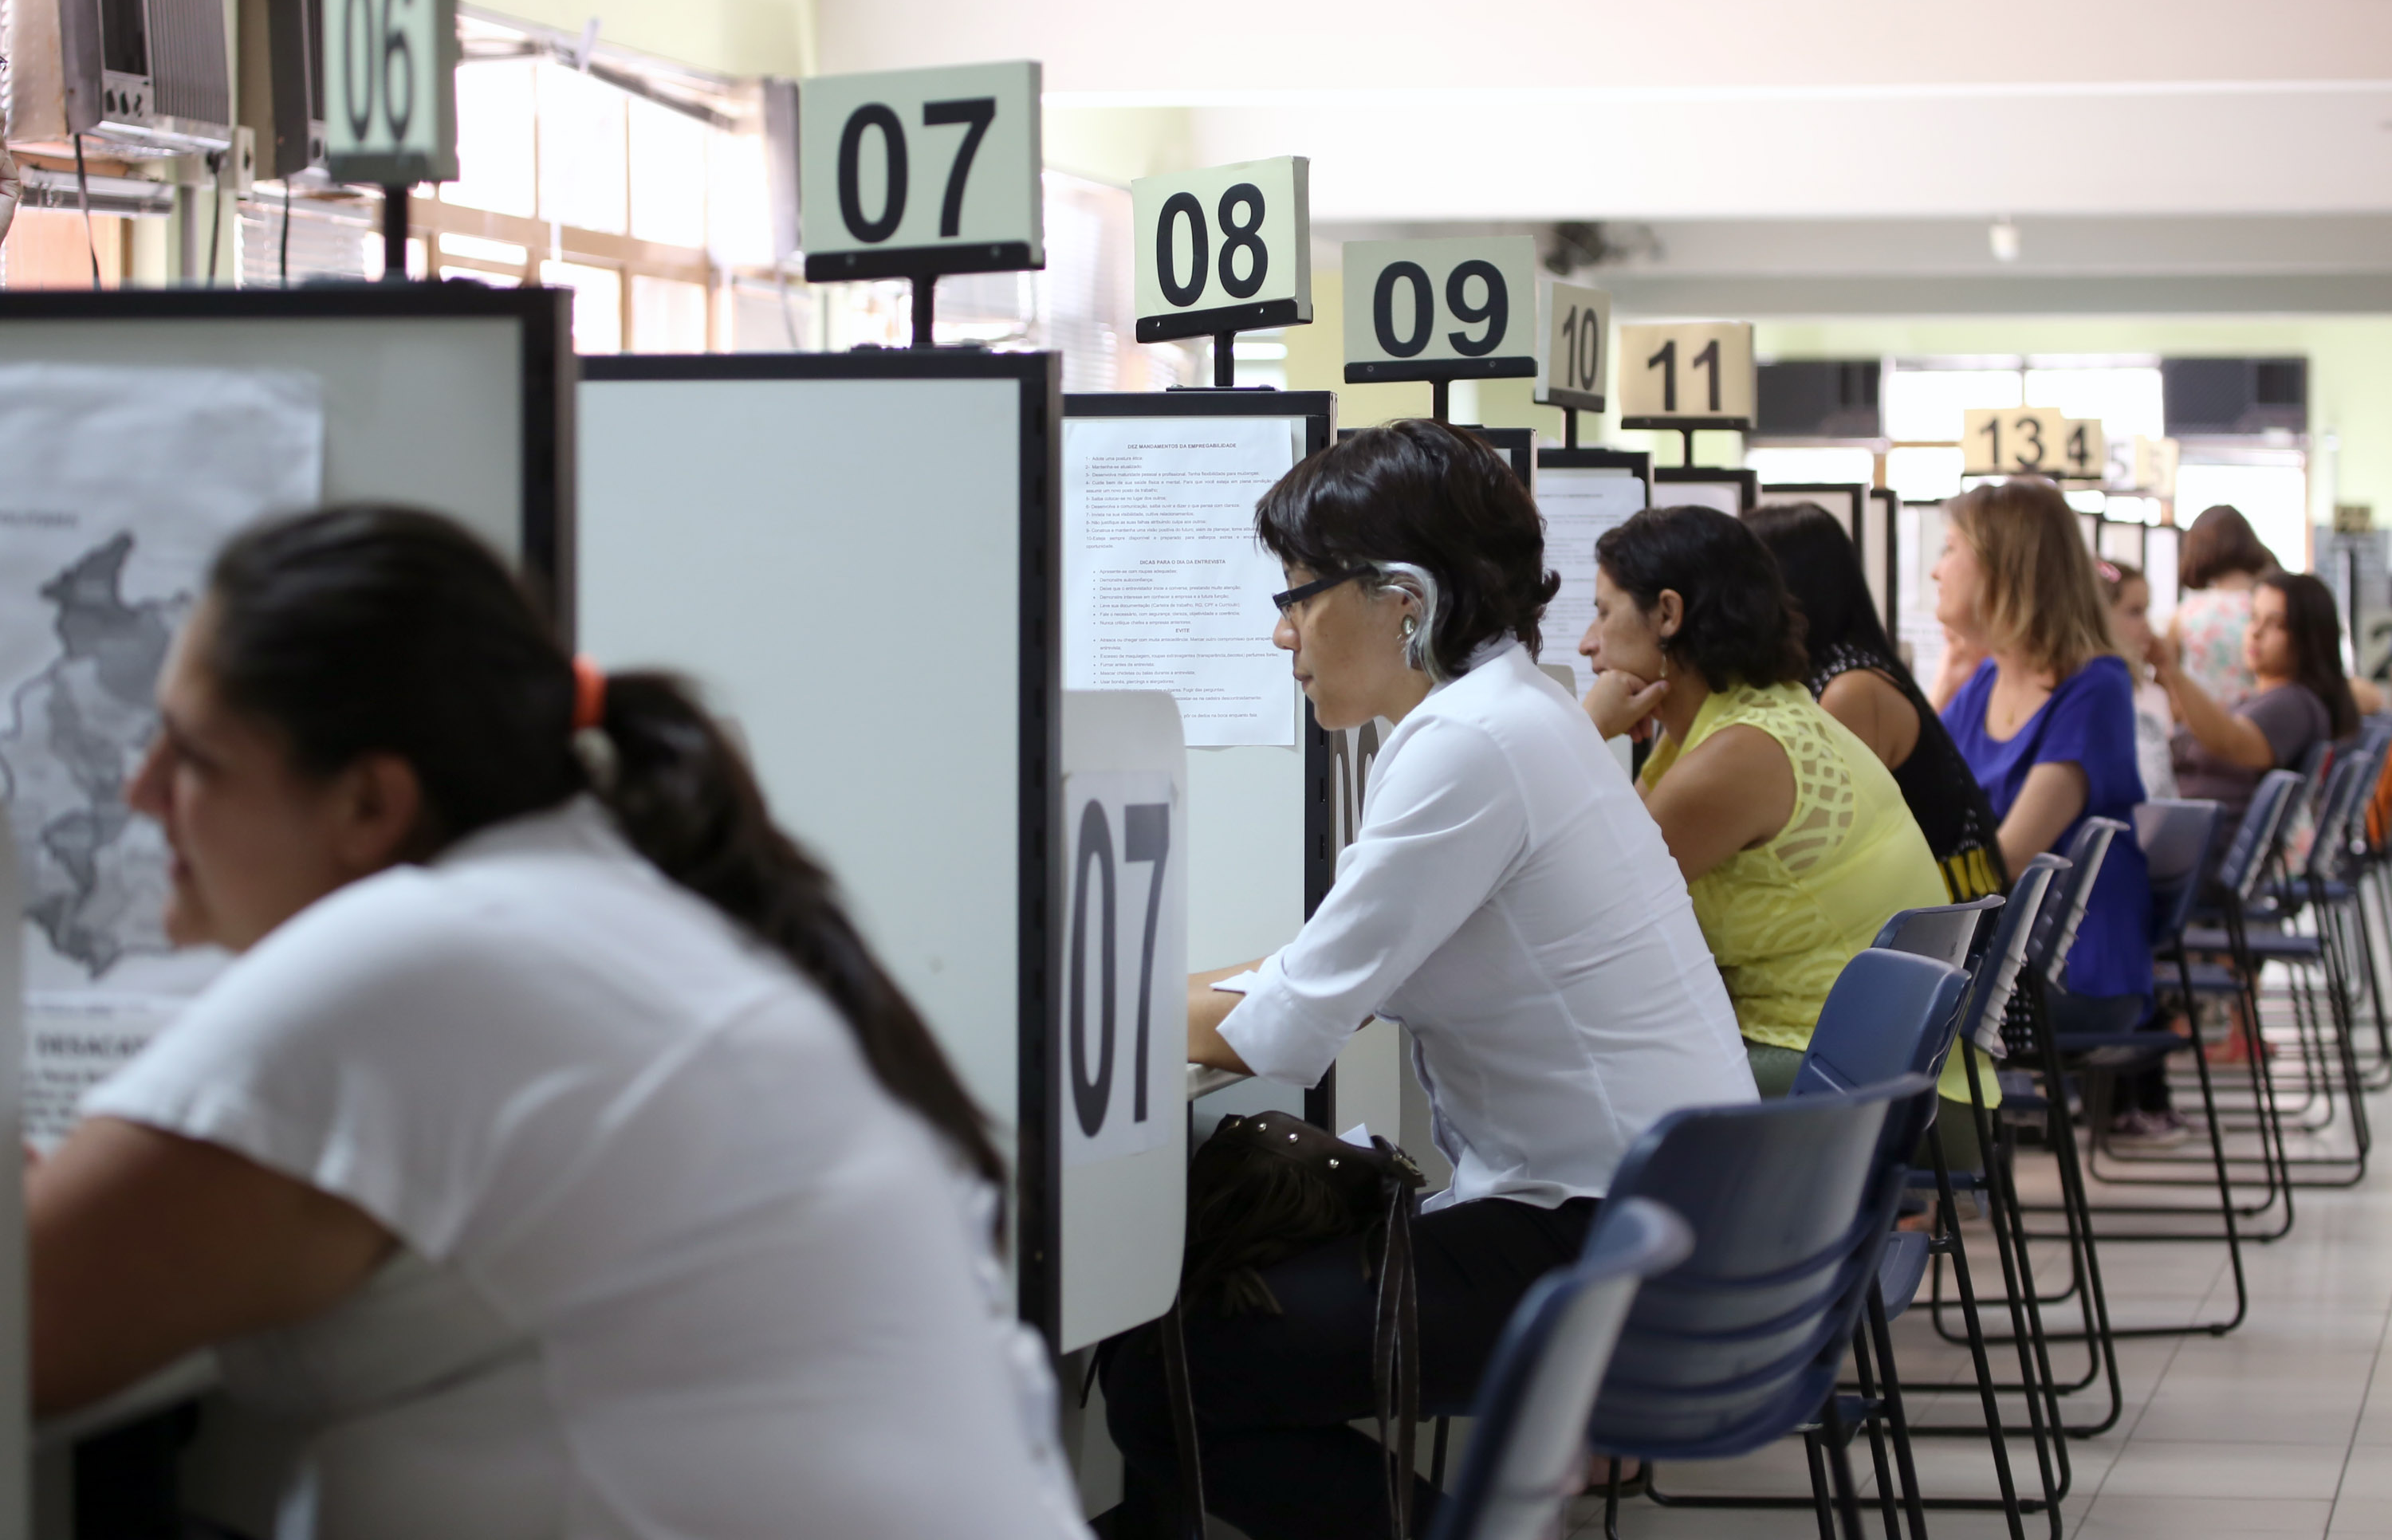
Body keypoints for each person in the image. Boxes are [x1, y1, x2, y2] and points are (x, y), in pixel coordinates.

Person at [34, 507, 1088, 1540]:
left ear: (369, 804)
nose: (140, 793)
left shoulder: (427, 956)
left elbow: (27, 1327)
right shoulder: (587, 906)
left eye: (194, 756)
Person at [1105, 422, 1756, 1540]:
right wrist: (1139, 991)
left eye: (1300, 596)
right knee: (1190, 1348)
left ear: (1401, 598)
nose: (1283, 634)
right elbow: (1311, 969)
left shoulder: (1471, 744)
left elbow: (1282, 1028)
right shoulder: (1514, 713)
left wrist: (1066, 1011)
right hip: (1656, 1212)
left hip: (1598, 1240)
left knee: (1167, 1360)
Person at [1576, 505, 1946, 1098]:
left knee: (1599, 1093)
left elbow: (1587, 901)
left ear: (1668, 614)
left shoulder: (1739, 754)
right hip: (1881, 1056)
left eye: (1602, 613)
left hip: (1851, 1070)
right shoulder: (1752, 718)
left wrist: (1583, 732)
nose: (1587, 644)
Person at [1934, 479, 2164, 1133]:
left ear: (2006, 568)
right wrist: (1947, 679)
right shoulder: (1983, 680)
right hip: (2002, 954)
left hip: (2063, 972)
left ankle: (1919, 1197)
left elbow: (2006, 860)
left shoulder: (2095, 687)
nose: (1935, 567)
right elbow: (1907, 808)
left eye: (1952, 549)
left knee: (1861, 1000)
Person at [1747, 501, 2009, 901]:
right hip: (1931, 922)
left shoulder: (1849, 689)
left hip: (1937, 931)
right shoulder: (1844, 671)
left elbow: (1817, 847)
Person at [2158, 568, 2359, 831]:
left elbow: (2229, 742)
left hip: (2206, 849)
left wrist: (2171, 670)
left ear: (2309, 637)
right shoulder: (2271, 699)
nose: (2255, 632)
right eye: (2254, 618)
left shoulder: (2294, 705)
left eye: (2276, 624)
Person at [2172, 504, 2277, 709]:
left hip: (2200, 725)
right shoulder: (2272, 608)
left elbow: (2170, 679)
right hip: (2260, 720)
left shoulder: (2186, 613)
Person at [2098, 558, 2181, 799]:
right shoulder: (2085, 692)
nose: (2147, 625)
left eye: (2147, 610)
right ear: (2098, 616)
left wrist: (2168, 674)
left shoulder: (2155, 693)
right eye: (2134, 612)